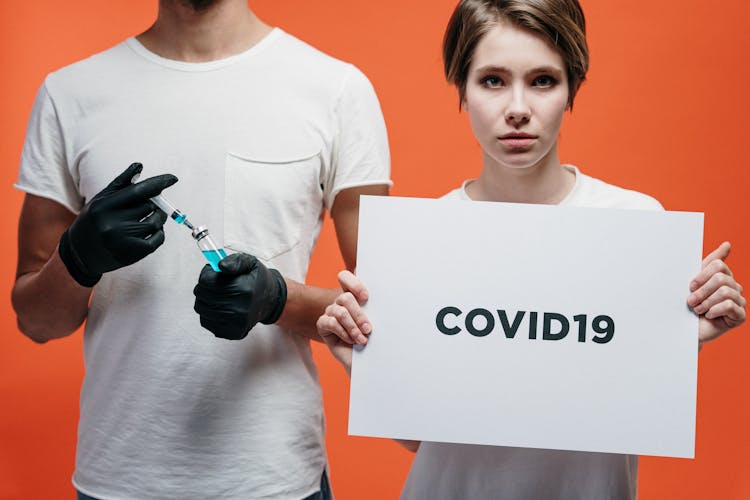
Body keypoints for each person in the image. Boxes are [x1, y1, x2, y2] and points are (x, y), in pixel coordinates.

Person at [315, 0, 746, 498]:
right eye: (492, 80)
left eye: (543, 80)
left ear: (571, 89)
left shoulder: (636, 225)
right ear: (463, 88)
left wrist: (683, 335)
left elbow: (622, 400)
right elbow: (423, 440)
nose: (517, 108)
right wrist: (365, 365)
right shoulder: (422, 240)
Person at [11, 0, 390, 498]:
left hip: (272, 479)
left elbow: (385, 316)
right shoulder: (70, 94)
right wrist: (76, 259)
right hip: (119, 477)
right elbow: (37, 322)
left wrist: (276, 299)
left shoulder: (336, 90)